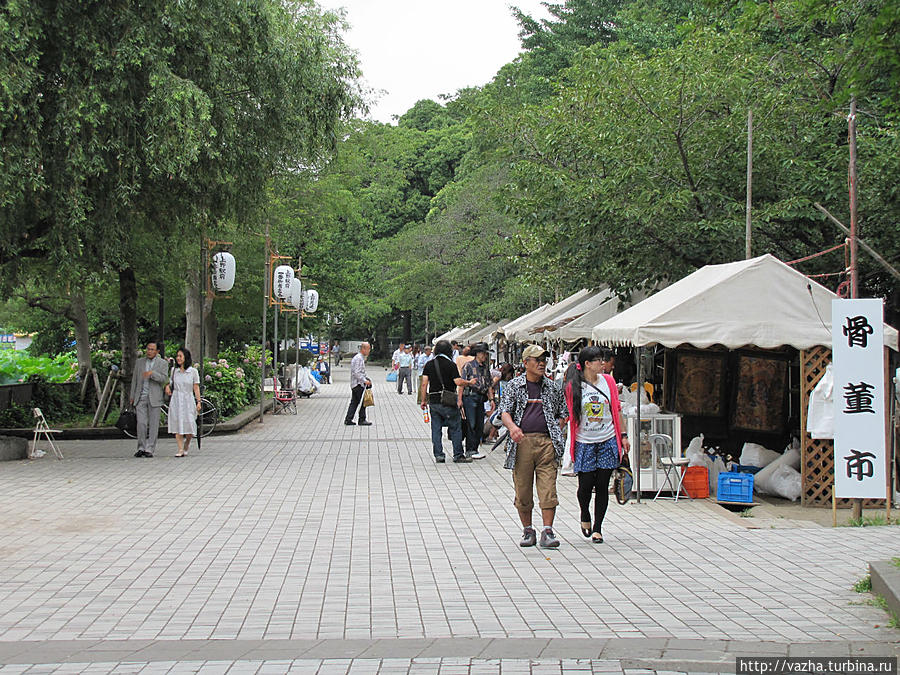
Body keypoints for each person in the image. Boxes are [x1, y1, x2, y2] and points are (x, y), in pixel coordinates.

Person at [498, 344, 567, 548]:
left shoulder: (552, 386)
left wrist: (556, 429)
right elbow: (504, 412)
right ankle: (528, 530)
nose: (542, 363)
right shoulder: (514, 386)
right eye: (537, 360)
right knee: (523, 488)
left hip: (547, 443)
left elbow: (563, 412)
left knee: (548, 488)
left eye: (543, 360)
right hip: (522, 443)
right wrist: (512, 428)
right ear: (526, 363)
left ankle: (548, 530)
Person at [563, 346, 630, 543]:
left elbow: (616, 410)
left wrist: (623, 436)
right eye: (599, 360)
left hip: (607, 439)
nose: (603, 364)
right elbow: (568, 415)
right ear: (587, 364)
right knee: (585, 486)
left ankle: (598, 528)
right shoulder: (573, 386)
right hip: (585, 442)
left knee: (602, 484)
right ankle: (585, 513)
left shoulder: (608, 381)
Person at [420, 340, 471, 463]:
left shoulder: (429, 364)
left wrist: (423, 400)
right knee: (455, 427)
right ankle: (458, 454)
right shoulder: (451, 365)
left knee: (436, 428)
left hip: (434, 400)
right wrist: (469, 382)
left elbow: (424, 384)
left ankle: (439, 455)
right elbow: (458, 382)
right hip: (448, 401)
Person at [129, 341, 169, 458]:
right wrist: (132, 396)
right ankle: (141, 447)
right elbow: (135, 380)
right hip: (140, 396)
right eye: (148, 349)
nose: (149, 351)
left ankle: (150, 448)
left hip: (155, 397)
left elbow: (164, 378)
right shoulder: (139, 362)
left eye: (152, 349)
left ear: (157, 352)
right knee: (141, 423)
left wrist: (152, 374)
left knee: (153, 424)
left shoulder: (163, 363)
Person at [164, 347, 202, 457]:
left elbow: (196, 388)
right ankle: (180, 449)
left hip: (188, 399)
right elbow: (169, 382)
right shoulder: (174, 371)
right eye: (177, 356)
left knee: (190, 424)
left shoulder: (193, 372)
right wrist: (167, 386)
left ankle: (187, 444)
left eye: (180, 356)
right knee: (177, 423)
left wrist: (198, 401)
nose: (178, 358)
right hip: (176, 398)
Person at [460, 343, 493, 460]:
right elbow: (462, 383)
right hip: (470, 397)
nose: (485, 356)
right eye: (484, 353)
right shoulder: (468, 366)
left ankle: (475, 448)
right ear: (478, 354)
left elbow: (489, 384)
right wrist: (459, 399)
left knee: (479, 424)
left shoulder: (485, 367)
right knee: (471, 423)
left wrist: (491, 399)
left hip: (481, 398)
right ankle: (470, 449)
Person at [344, 342, 373, 426]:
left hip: (356, 383)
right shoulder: (359, 358)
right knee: (363, 402)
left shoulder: (359, 358)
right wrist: (364, 380)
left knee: (355, 402)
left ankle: (348, 419)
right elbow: (356, 372)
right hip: (358, 384)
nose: (369, 351)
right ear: (363, 349)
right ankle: (362, 419)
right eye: (368, 349)